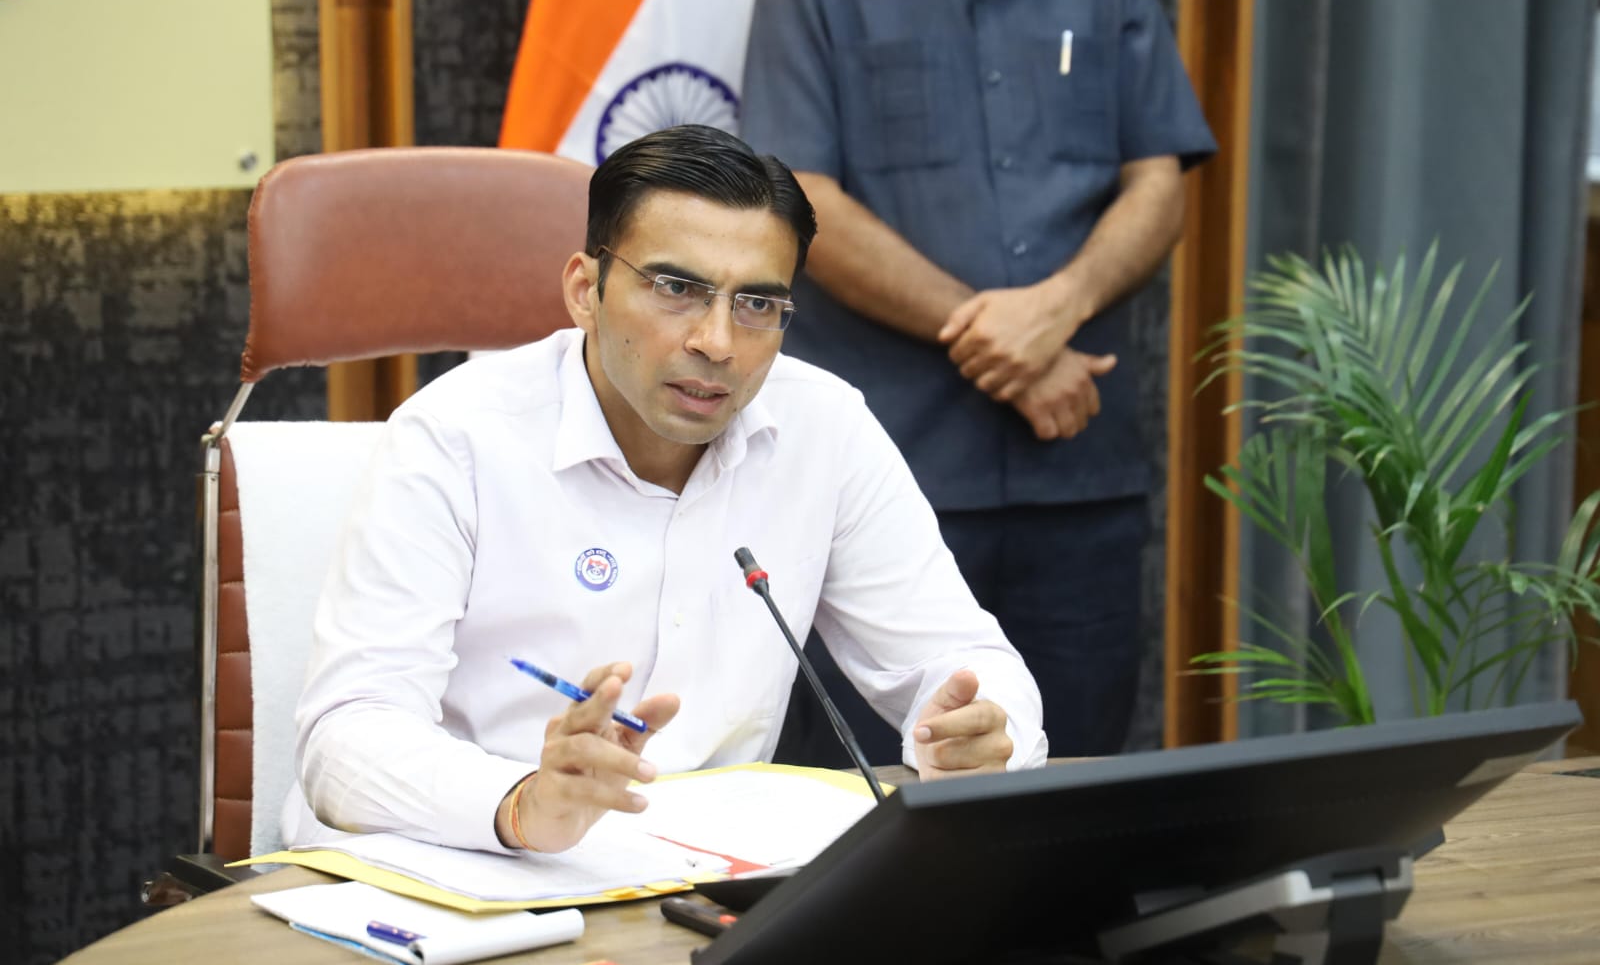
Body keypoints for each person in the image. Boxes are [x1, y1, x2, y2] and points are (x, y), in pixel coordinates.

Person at [285, 124, 1046, 856]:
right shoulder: (454, 437)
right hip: (473, 871)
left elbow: (963, 659)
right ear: (585, 290)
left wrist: (983, 733)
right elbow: (347, 734)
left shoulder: (825, 427)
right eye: (677, 288)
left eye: (757, 304)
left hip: (711, 881)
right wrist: (523, 803)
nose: (717, 342)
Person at [741, 0, 1216, 758]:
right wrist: (1005, 339)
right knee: (872, 789)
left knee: (1077, 783)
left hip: (1077, 472)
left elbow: (1159, 180)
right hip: (885, 474)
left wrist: (1057, 308)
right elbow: (798, 197)